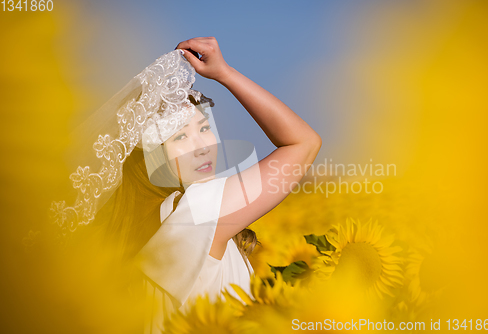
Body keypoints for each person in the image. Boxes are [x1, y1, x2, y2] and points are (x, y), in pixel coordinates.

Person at [50, 37, 321, 334]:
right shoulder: (192, 213)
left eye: (204, 128)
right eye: (180, 137)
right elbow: (303, 143)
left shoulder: (141, 228)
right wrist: (225, 73)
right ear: (151, 155)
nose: (202, 146)